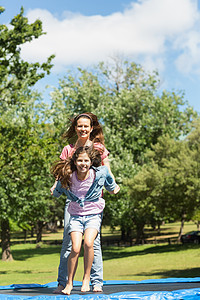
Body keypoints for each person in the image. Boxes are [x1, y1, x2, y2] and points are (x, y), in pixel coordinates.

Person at [50, 113, 114, 294]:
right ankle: (63, 283)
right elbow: (61, 173)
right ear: (75, 128)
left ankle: (96, 282)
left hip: (93, 202)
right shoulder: (68, 150)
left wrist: (112, 185)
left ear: (91, 128)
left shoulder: (99, 148)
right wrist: (55, 186)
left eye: (86, 126)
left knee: (93, 243)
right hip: (74, 201)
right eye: (79, 126)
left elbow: (106, 168)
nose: (83, 129)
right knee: (69, 244)